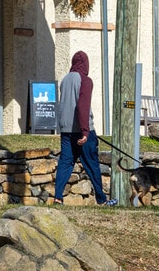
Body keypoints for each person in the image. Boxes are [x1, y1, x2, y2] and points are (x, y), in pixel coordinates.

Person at [53, 50, 117, 206]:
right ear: (86, 64)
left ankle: (57, 197)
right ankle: (102, 200)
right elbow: (82, 106)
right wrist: (85, 131)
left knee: (65, 163)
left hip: (66, 130)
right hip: (83, 131)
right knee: (92, 164)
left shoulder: (65, 80)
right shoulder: (85, 80)